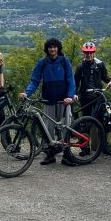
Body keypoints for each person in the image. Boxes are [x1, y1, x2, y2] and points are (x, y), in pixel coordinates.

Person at [21, 37, 76, 166]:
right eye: (50, 47)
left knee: (65, 127)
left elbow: (70, 80)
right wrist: (26, 92)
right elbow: (35, 80)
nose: (52, 49)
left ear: (58, 48)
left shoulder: (64, 61)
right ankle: (50, 155)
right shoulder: (43, 62)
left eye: (55, 46)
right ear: (47, 49)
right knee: (48, 128)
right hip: (48, 99)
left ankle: (66, 155)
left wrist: (70, 96)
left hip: (64, 100)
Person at [74, 41, 111, 122]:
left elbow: (104, 77)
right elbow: (76, 82)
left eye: (91, 52)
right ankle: (86, 133)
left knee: (100, 120)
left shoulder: (99, 64)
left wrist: (110, 81)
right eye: (86, 53)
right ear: (84, 53)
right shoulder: (80, 67)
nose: (89, 55)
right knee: (86, 120)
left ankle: (101, 134)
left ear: (94, 53)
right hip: (85, 96)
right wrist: (74, 94)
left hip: (98, 96)